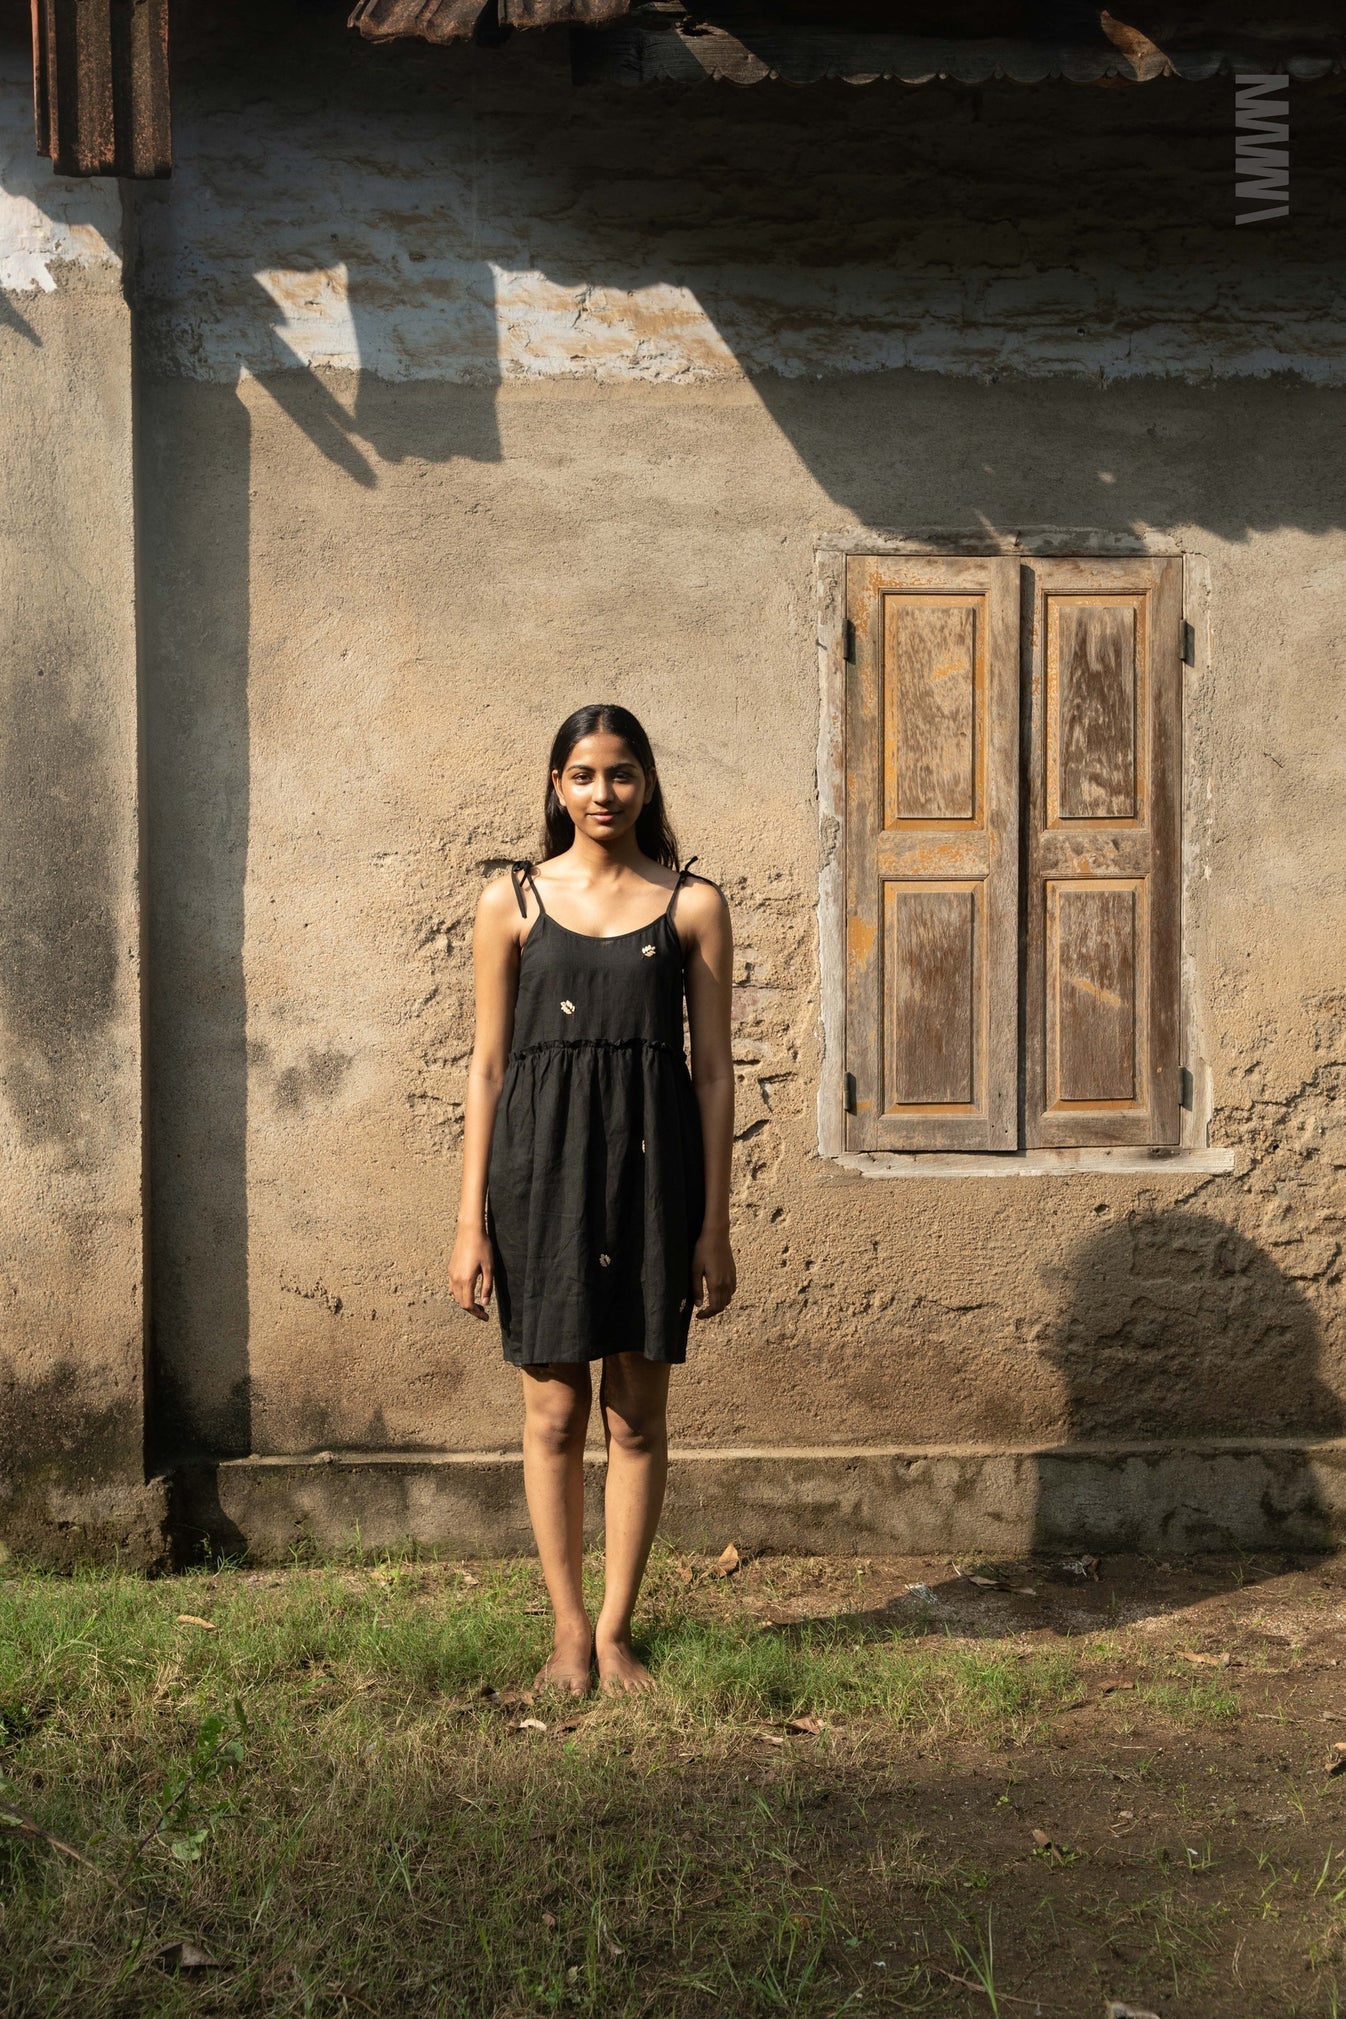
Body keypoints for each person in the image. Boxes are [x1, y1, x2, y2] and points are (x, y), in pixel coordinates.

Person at [450, 704, 737, 1695]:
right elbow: (486, 1068)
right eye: (581, 774)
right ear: (556, 786)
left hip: (656, 1178)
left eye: (619, 774)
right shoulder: (511, 902)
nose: (601, 793)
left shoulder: (692, 906)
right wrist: (468, 1224)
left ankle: (617, 1631)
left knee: (637, 1416)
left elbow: (712, 1076)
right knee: (553, 1413)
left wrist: (713, 1225)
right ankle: (566, 1631)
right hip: (542, 1176)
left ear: (645, 782)